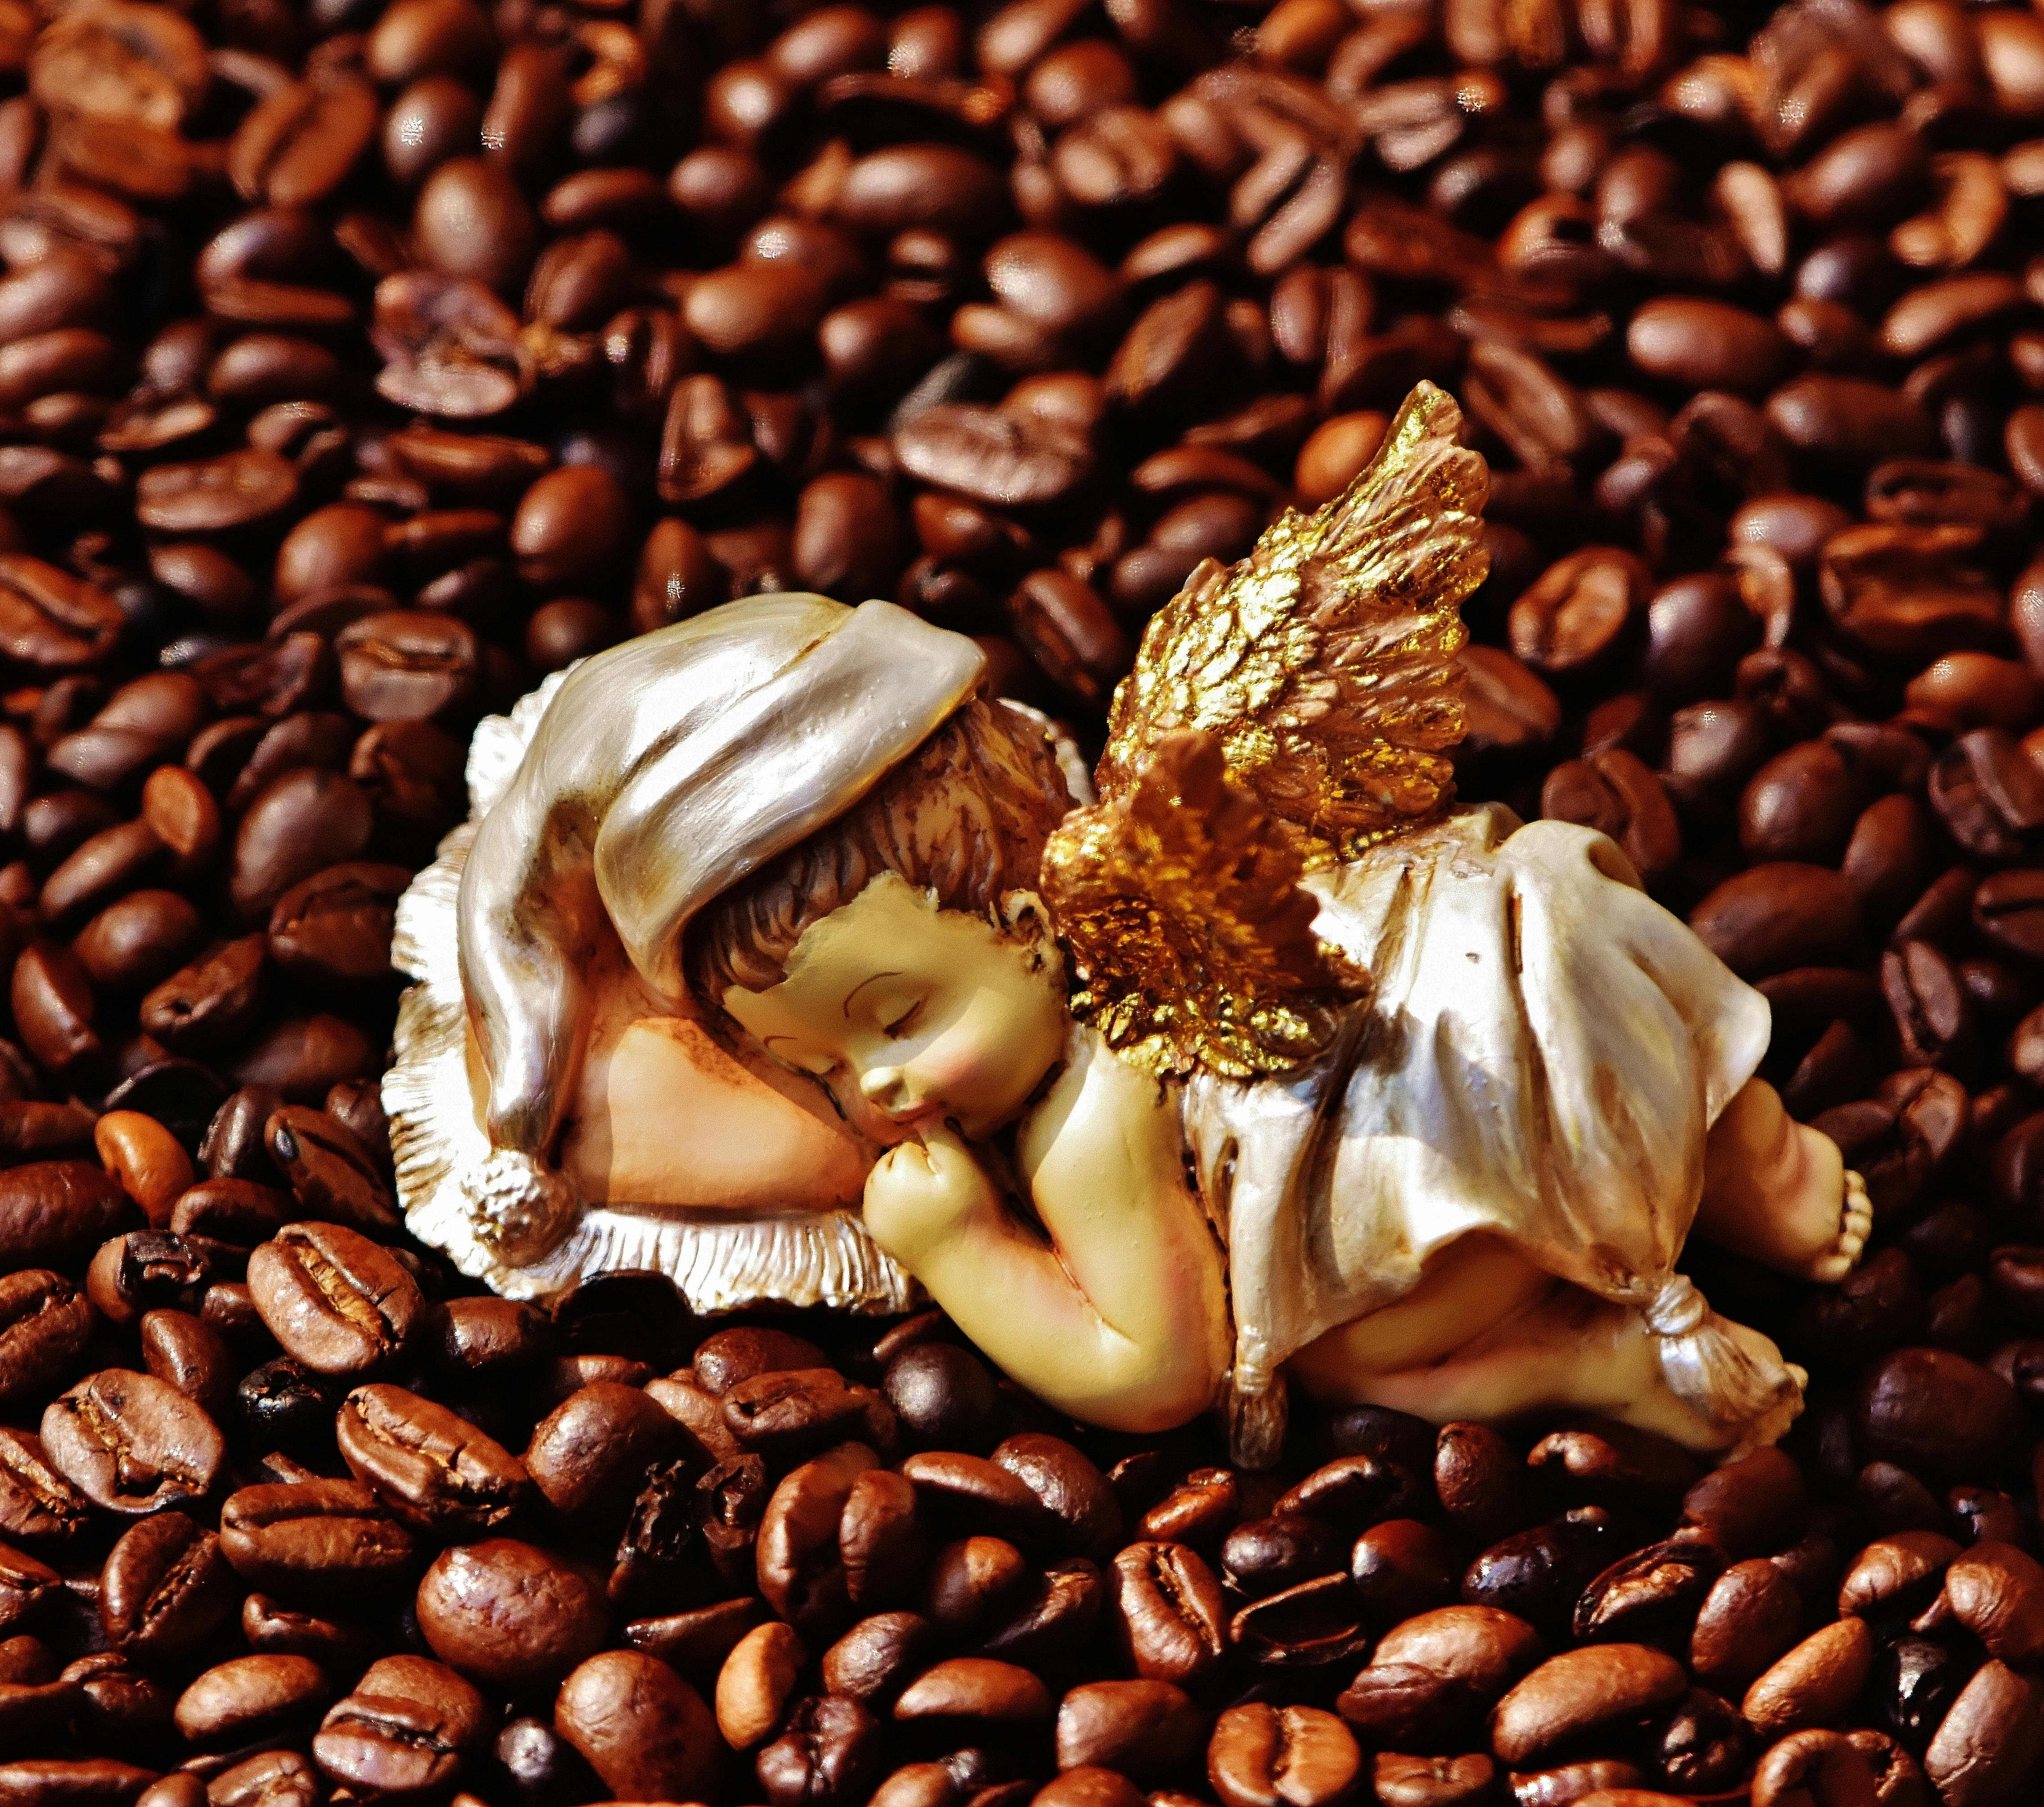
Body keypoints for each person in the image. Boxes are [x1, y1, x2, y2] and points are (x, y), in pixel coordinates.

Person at [388, 385, 1868, 1461]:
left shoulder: (1085, 1129)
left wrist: (965, 1250)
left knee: (1342, 1361)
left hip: (1419, 1224)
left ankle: (1580, 1360)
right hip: (1518, 990)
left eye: (899, 1019)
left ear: (1031, 912)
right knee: (1564, 892)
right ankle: (1758, 1164)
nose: (877, 1089)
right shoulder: (1151, 822)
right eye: (825, 1072)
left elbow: (1156, 1375)